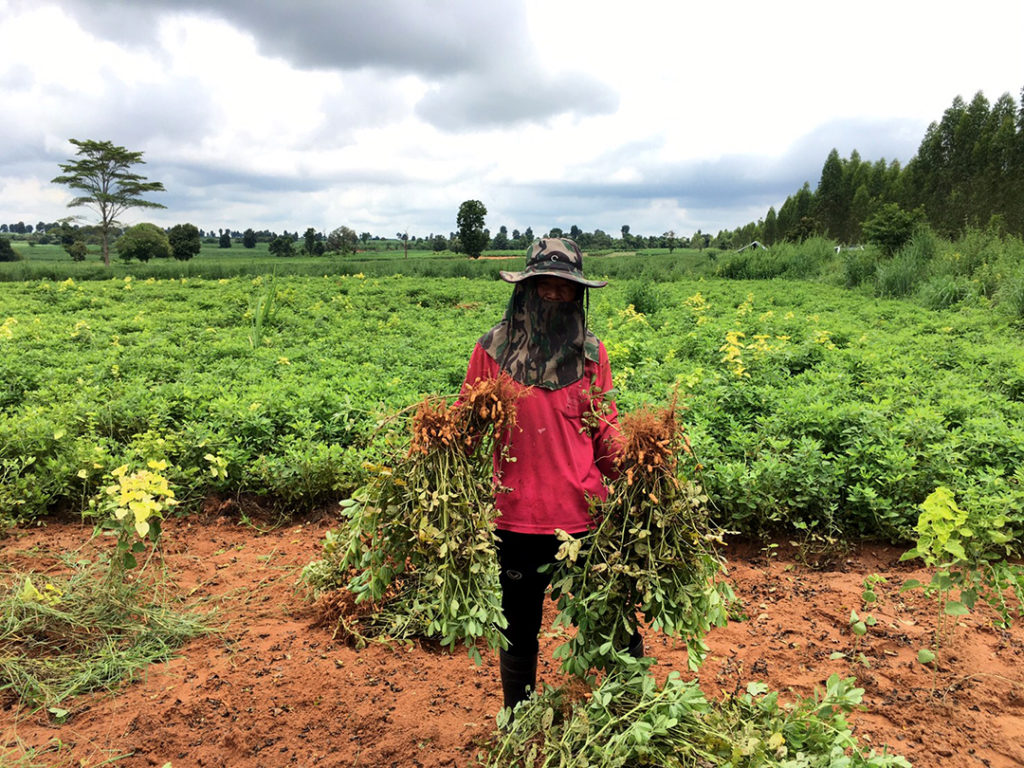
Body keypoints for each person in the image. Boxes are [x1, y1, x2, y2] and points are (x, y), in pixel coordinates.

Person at [459, 237, 641, 715]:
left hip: (584, 519)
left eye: (566, 288)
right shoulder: (493, 351)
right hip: (516, 519)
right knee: (518, 629)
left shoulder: (592, 356)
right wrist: (442, 442)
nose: (555, 296)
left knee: (612, 622)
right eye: (546, 286)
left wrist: (643, 468)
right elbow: (468, 424)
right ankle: (518, 722)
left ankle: (634, 715)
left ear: (578, 294)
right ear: (526, 288)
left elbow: (606, 433)